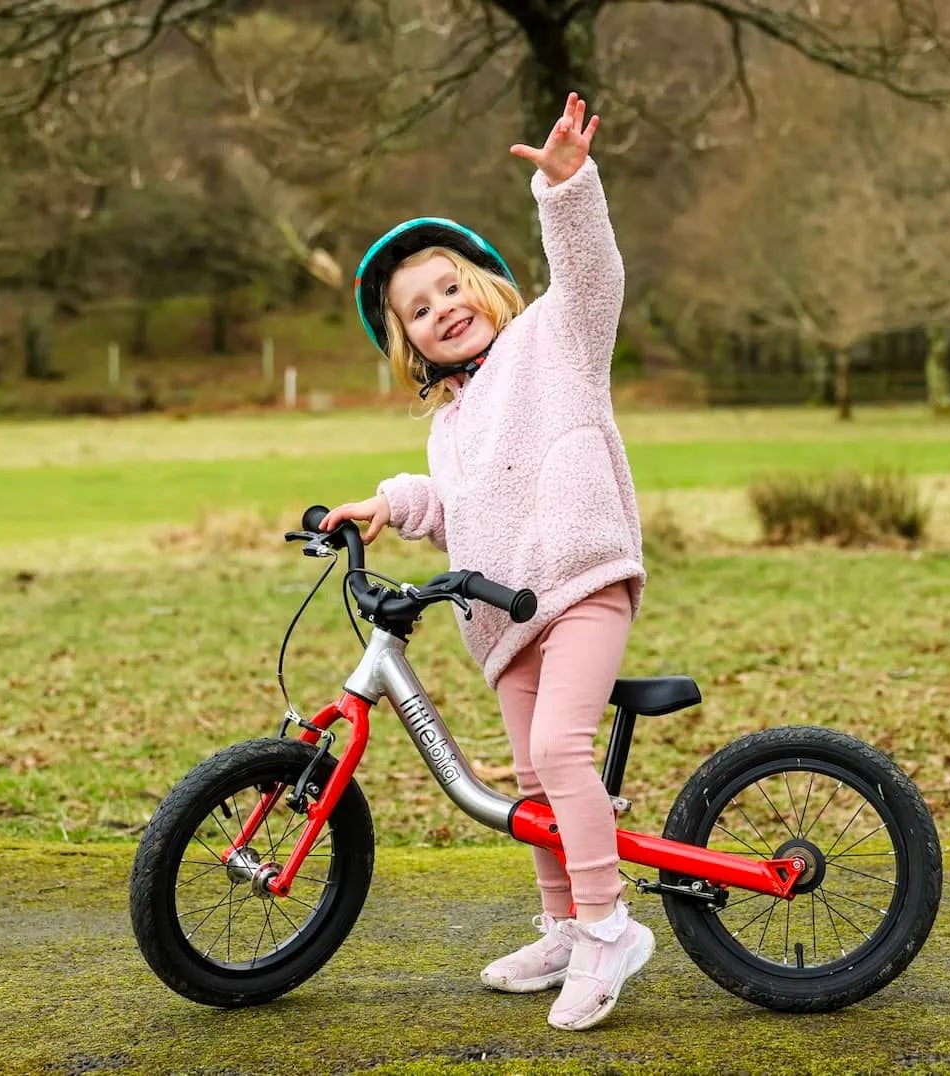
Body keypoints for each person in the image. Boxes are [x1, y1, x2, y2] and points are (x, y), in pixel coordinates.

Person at [320, 93, 649, 1032]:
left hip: (581, 580)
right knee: (533, 780)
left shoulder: (557, 341)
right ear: (408, 343)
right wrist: (385, 505)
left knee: (558, 750)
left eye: (451, 288)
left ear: (489, 287)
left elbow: (591, 274)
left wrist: (566, 188)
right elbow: (449, 504)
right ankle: (560, 923)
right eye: (418, 311)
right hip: (504, 620)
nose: (442, 311)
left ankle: (606, 925)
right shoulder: (451, 425)